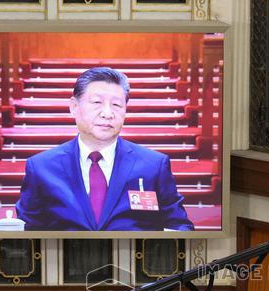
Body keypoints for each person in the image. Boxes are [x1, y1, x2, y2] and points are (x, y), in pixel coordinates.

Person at [16, 67, 191, 232]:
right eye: (97, 102)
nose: (107, 113)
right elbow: (27, 233)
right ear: (74, 107)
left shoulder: (153, 165)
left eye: (116, 105)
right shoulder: (41, 167)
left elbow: (179, 226)